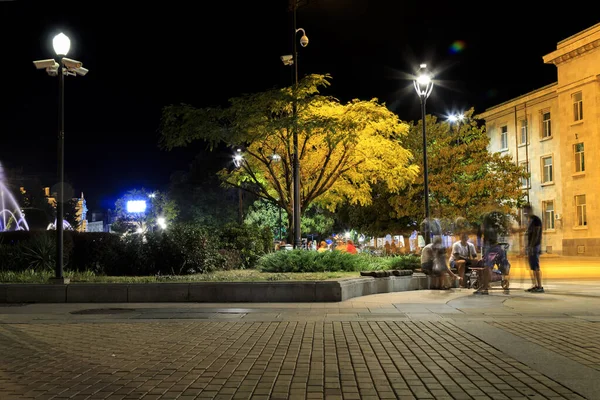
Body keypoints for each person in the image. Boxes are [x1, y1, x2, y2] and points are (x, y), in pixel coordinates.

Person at [524, 204, 544, 293]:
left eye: (525, 211)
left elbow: (536, 234)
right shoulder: (530, 220)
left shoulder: (536, 220)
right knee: (532, 266)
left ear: (529, 211)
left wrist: (532, 246)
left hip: (535, 246)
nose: (524, 213)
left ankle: (539, 286)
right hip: (531, 246)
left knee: (536, 266)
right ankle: (535, 285)